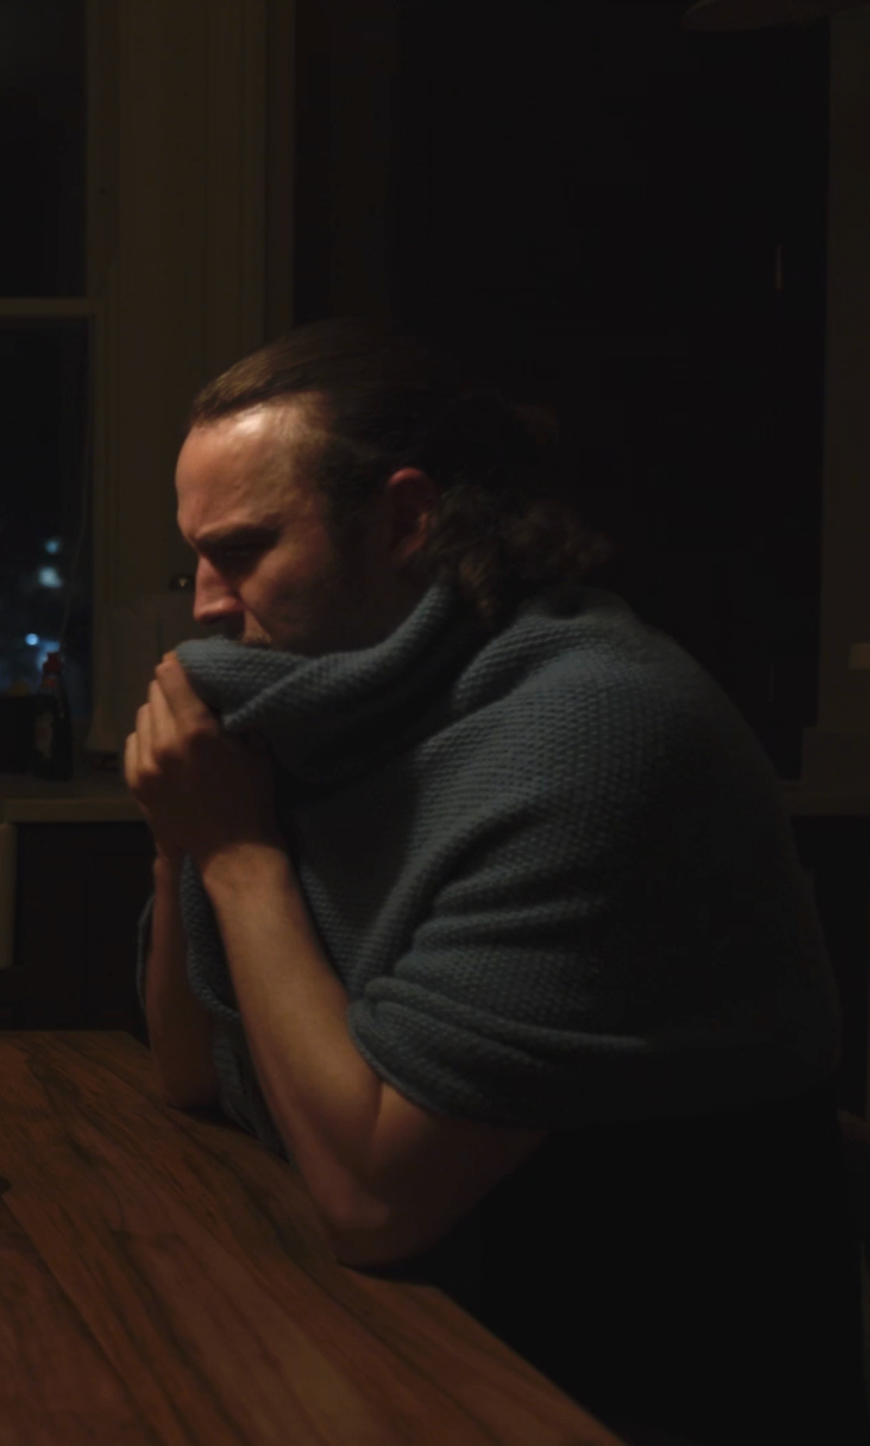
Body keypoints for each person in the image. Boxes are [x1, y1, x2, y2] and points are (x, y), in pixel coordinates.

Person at [124, 319, 864, 1443]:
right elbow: (189, 1073)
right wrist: (184, 831)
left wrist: (234, 853)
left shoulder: (595, 733)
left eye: (246, 549)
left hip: (617, 1391)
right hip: (403, 1348)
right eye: (196, 560)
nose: (207, 608)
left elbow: (374, 1202)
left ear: (407, 520)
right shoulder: (332, 711)